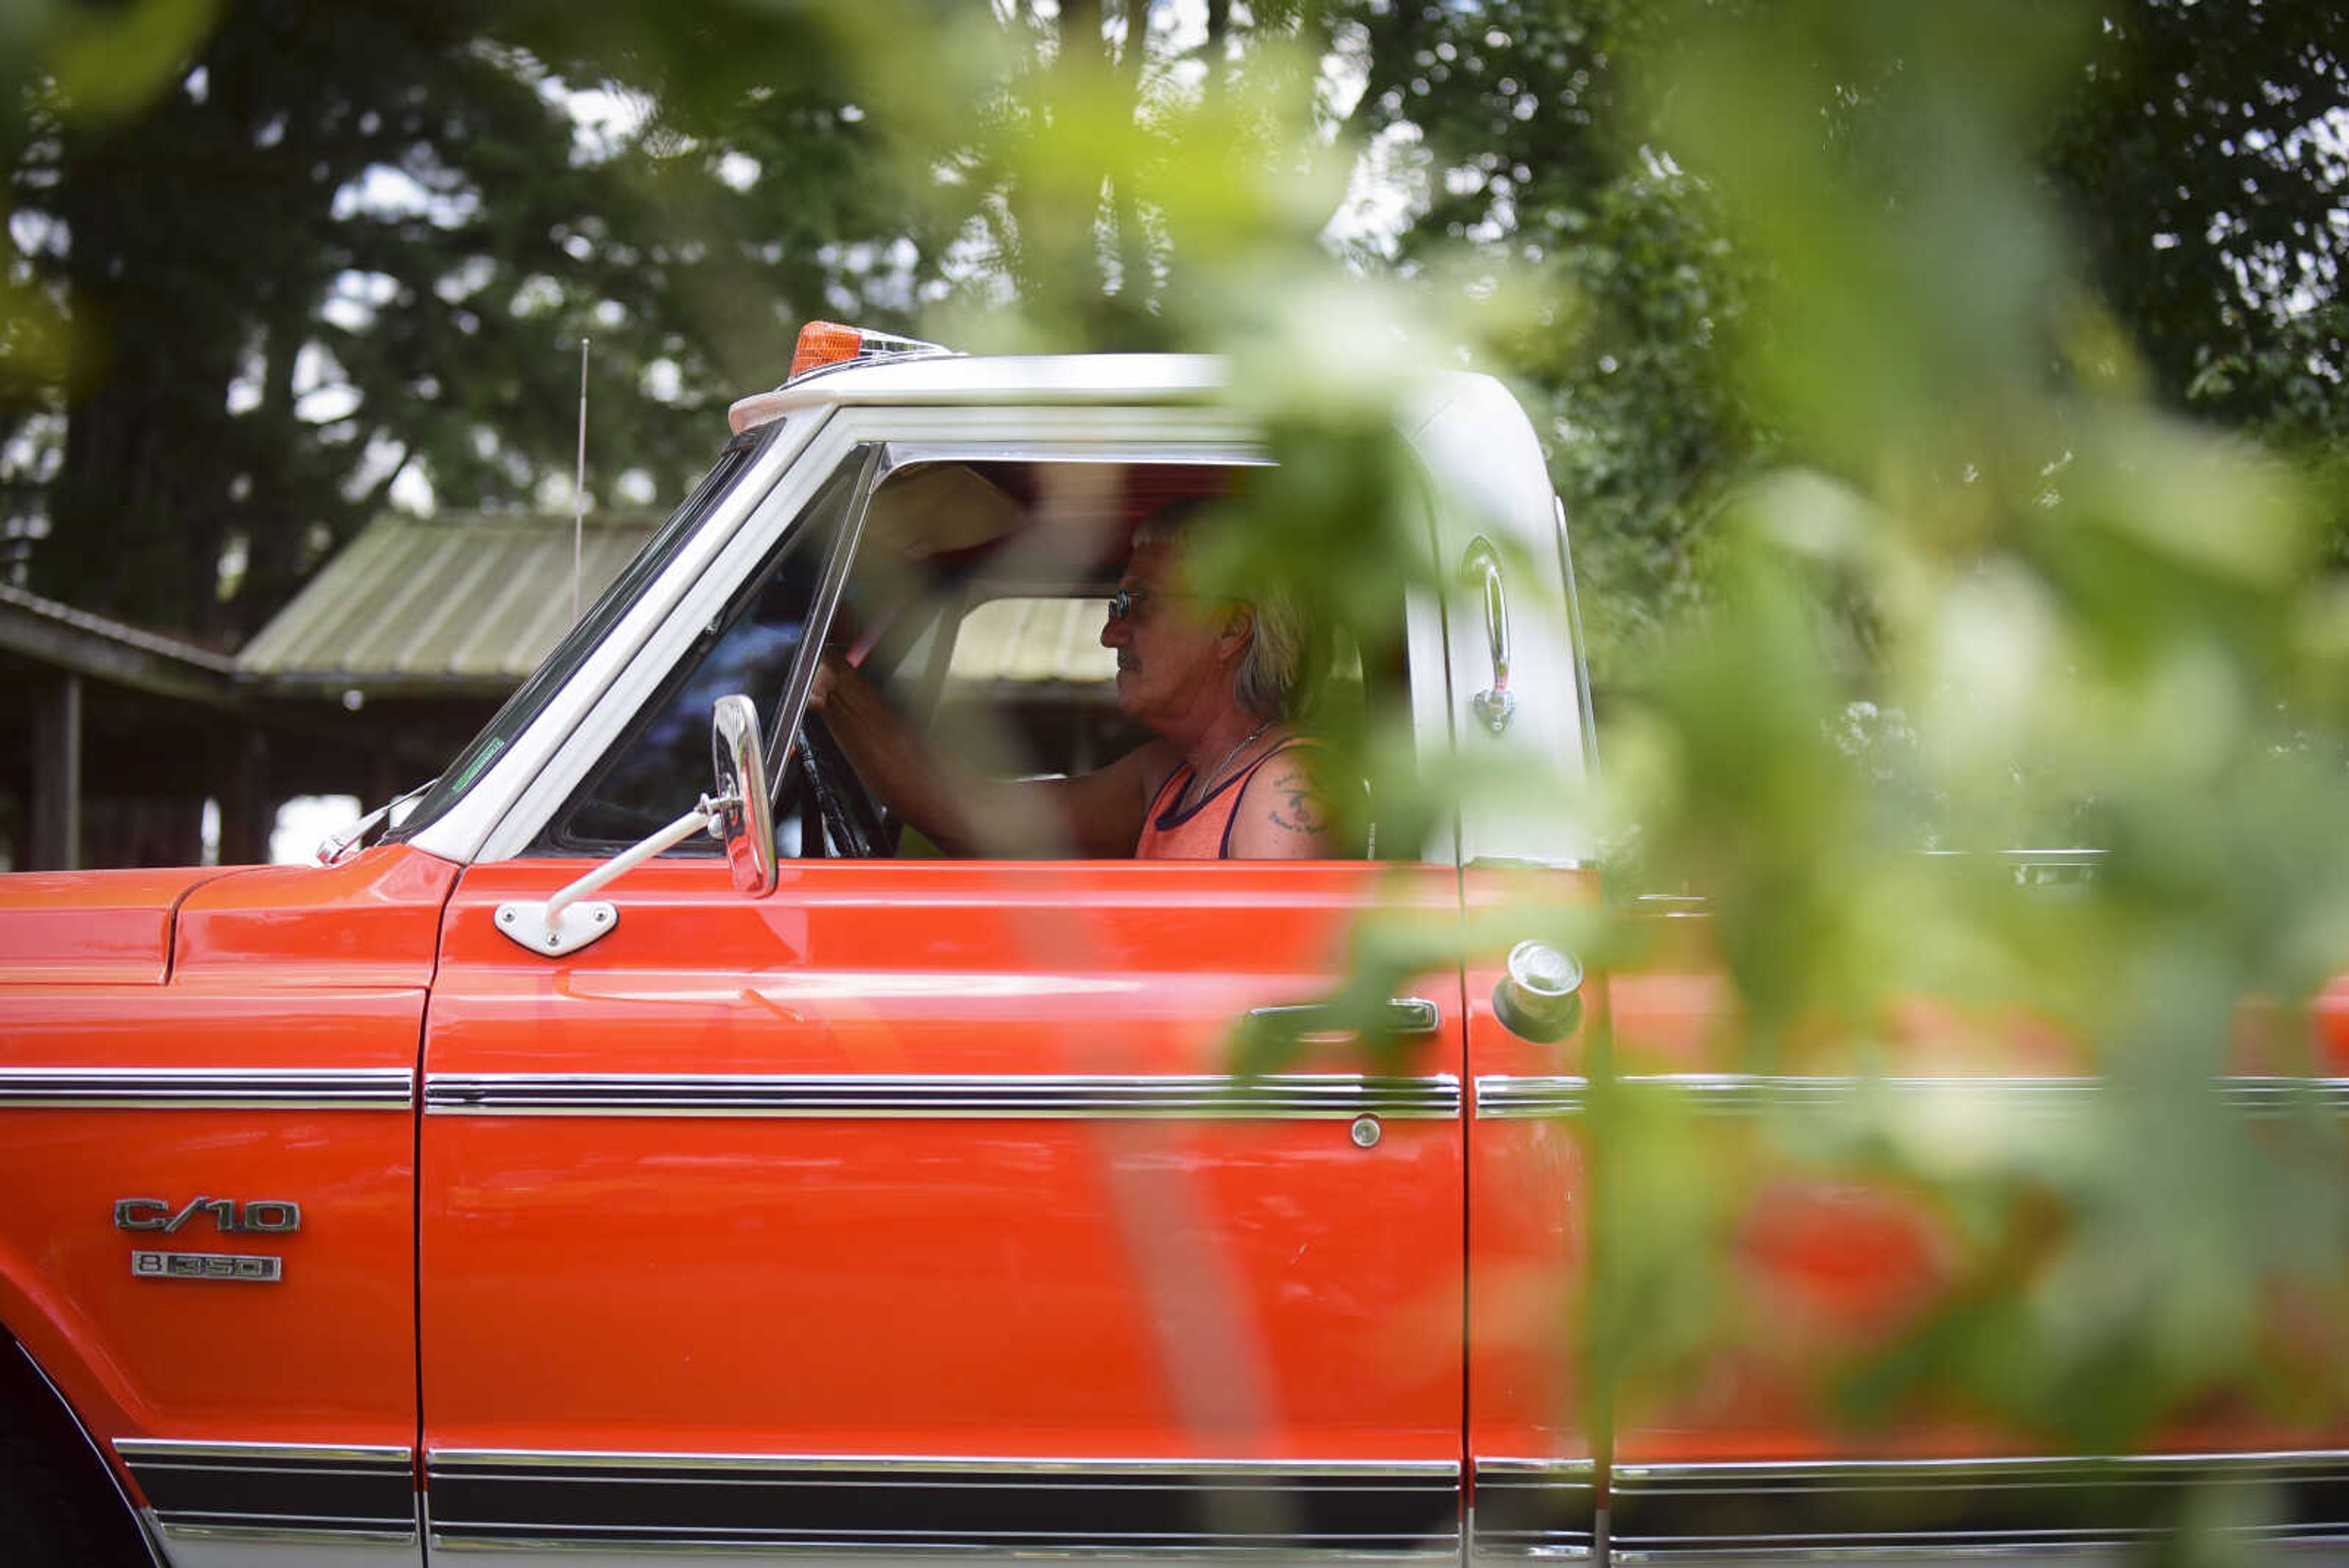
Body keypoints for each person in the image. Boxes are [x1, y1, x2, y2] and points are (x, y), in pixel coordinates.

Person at [807, 498, 1342, 859]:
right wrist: (839, 690)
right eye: (1118, 603)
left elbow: (1262, 1010)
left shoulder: (1283, 785)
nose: (1112, 635)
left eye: (1140, 603)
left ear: (1230, 628)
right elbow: (977, 816)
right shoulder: (1171, 774)